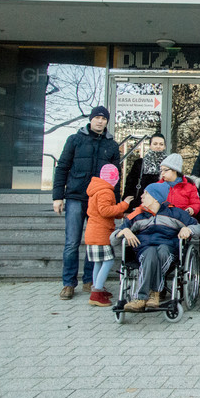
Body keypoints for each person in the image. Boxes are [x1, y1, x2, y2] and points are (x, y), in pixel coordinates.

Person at [53, 105, 120, 300]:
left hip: (99, 201)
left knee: (95, 242)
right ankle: (68, 284)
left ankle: (90, 280)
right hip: (75, 197)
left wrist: (114, 204)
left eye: (104, 118)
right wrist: (58, 196)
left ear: (107, 121)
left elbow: (115, 176)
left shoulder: (111, 145)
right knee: (72, 242)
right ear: (91, 119)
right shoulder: (75, 140)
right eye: (97, 117)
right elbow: (62, 167)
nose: (100, 121)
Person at [114, 183, 200, 312]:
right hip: (144, 250)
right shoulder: (137, 215)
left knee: (161, 251)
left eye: (146, 193)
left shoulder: (175, 213)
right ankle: (152, 294)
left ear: (156, 198)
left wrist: (187, 228)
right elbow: (112, 238)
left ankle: (143, 297)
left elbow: (198, 228)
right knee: (150, 253)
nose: (142, 196)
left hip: (168, 250)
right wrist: (123, 231)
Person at [85, 164, 133, 306]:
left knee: (98, 262)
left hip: (93, 231)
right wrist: (124, 204)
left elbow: (104, 211)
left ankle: (97, 288)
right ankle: (96, 292)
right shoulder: (106, 192)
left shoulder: (97, 189)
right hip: (101, 232)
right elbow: (105, 211)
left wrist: (121, 214)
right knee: (109, 261)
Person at [122, 133, 167, 210]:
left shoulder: (168, 165)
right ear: (150, 146)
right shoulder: (140, 163)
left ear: (164, 147)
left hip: (163, 206)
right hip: (140, 205)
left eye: (161, 144)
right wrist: (128, 208)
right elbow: (130, 185)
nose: (158, 146)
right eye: (155, 144)